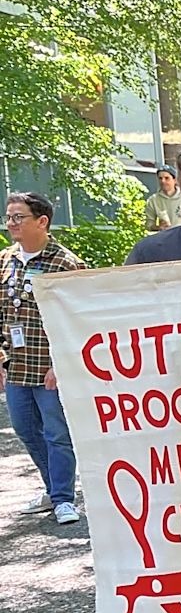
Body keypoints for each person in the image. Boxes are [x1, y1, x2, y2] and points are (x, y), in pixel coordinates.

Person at [2, 192, 87, 525]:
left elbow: (79, 317)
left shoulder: (65, 264)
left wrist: (62, 362)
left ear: (42, 221)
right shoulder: (6, 260)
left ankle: (64, 499)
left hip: (51, 367)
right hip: (17, 365)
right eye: (8, 217)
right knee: (25, 429)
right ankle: (52, 489)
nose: (11, 223)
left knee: (56, 433)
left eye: (18, 217)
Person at [143, 166, 181, 231]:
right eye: (160, 178)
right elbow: (149, 225)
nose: (163, 181)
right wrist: (159, 227)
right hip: (166, 235)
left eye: (167, 178)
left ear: (175, 180)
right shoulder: (153, 200)